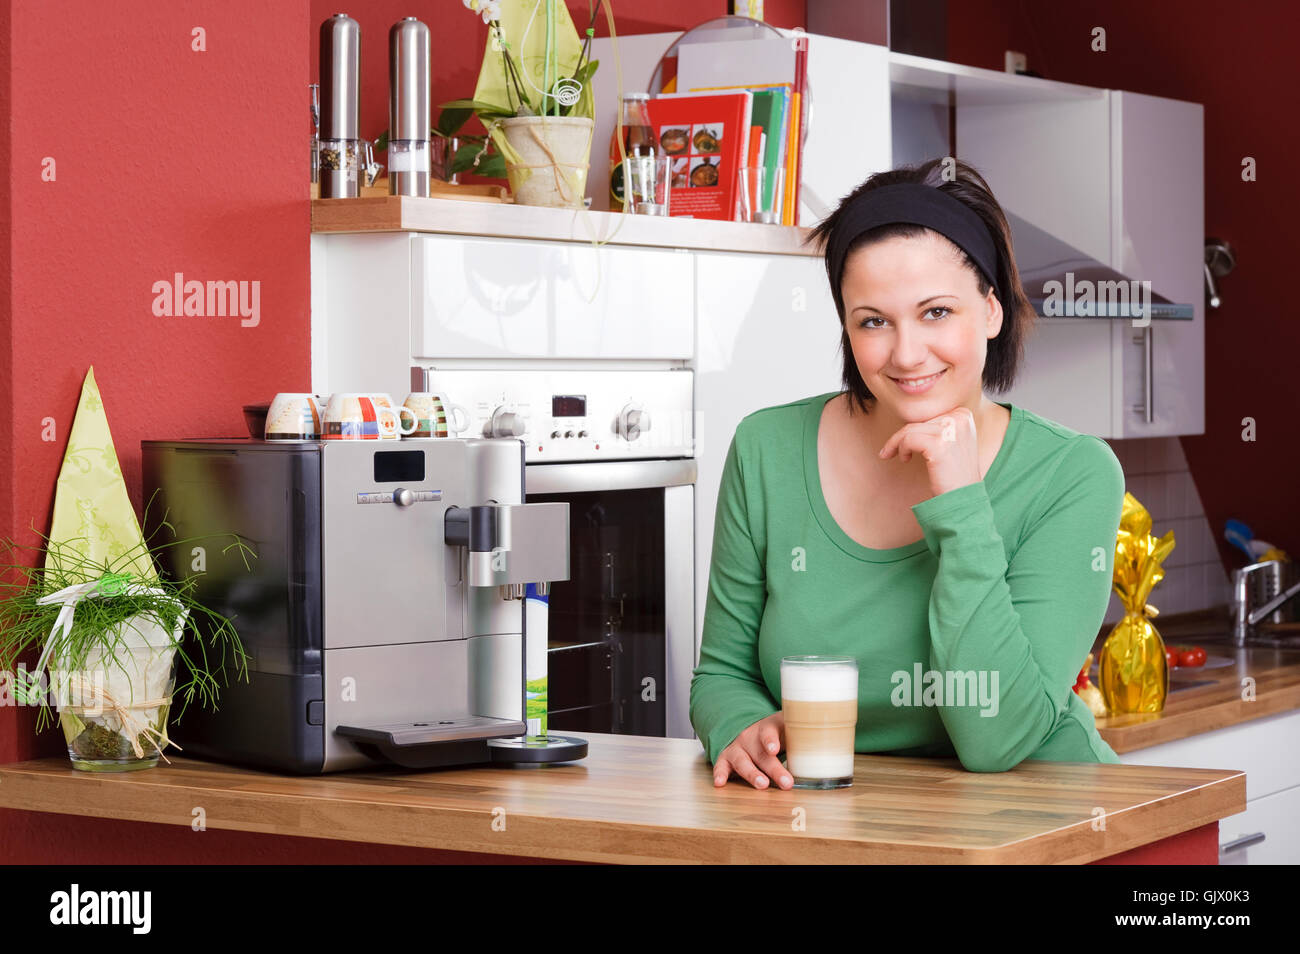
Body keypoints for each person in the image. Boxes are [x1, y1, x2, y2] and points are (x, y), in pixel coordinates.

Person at [690, 158, 1126, 789]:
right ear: (846, 327)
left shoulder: (1074, 473)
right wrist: (738, 724)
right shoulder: (767, 450)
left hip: (1044, 827)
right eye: (873, 321)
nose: (906, 353)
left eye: (937, 312)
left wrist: (961, 503)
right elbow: (723, 673)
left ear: (993, 312)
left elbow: (997, 738)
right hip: (846, 828)